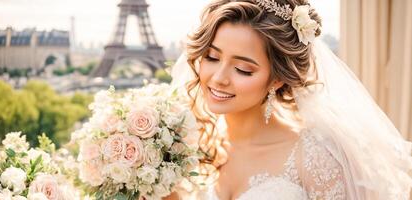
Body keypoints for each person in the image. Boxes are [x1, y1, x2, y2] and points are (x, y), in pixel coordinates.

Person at [169, 0, 412, 199]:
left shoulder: (315, 157)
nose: (219, 78)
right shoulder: (187, 144)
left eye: (243, 69)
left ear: (277, 79)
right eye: (211, 57)